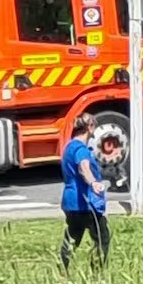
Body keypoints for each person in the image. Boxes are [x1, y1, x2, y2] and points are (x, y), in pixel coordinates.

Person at [60, 113, 110, 273]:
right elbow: (84, 168)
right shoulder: (81, 149)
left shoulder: (68, 147)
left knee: (72, 238)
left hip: (70, 201)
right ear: (89, 128)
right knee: (102, 238)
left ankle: (62, 272)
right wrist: (93, 182)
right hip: (85, 202)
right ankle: (97, 275)